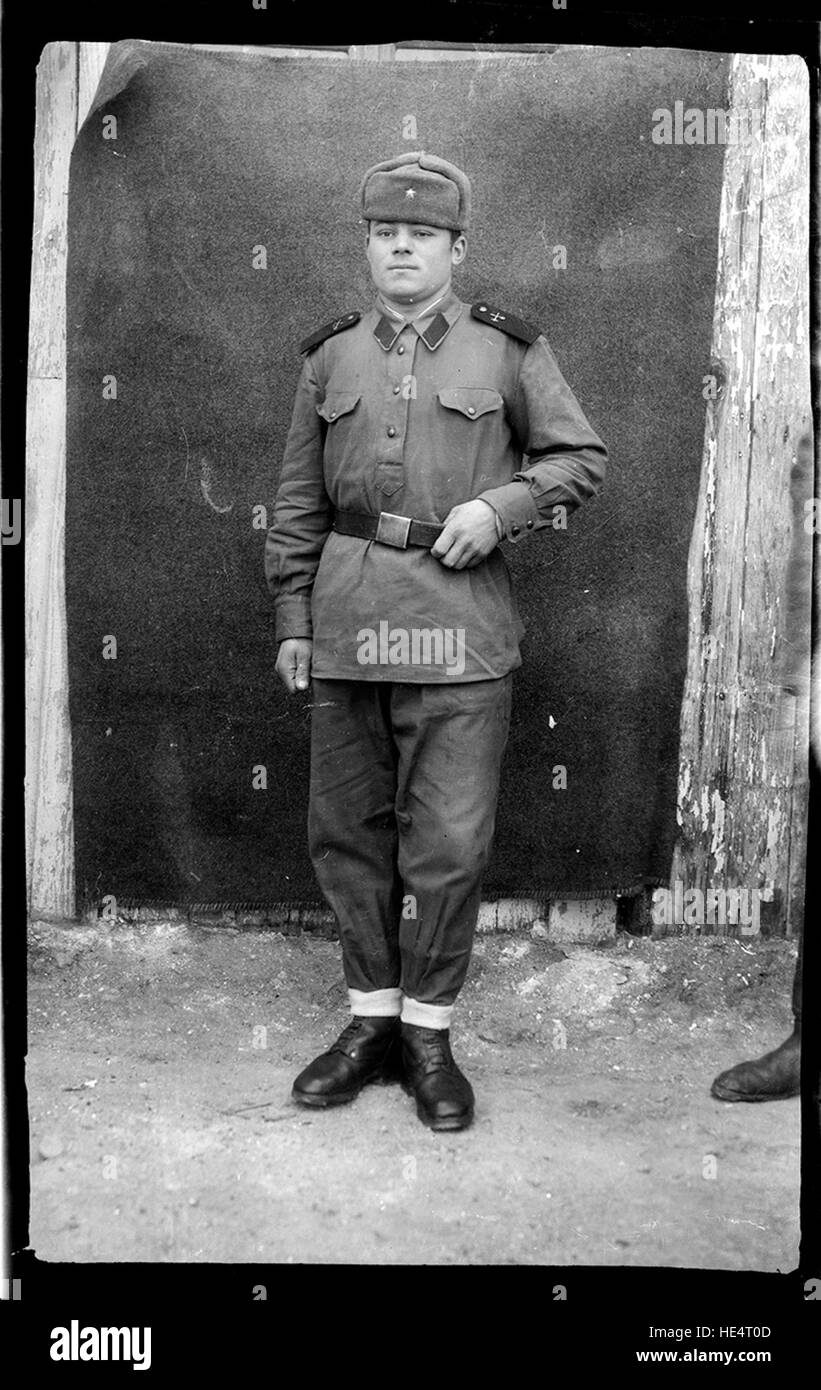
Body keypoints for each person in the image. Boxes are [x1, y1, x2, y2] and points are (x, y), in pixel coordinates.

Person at [265, 151, 607, 1131]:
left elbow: (579, 456)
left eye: (419, 235)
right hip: (344, 627)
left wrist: (502, 509)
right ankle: (368, 1021)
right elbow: (295, 499)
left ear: (456, 249)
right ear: (367, 246)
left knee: (447, 844)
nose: (400, 247)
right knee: (345, 838)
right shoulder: (329, 355)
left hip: (460, 636)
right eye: (383, 233)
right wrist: (293, 619)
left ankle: (427, 1032)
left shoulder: (506, 350)